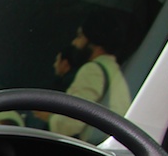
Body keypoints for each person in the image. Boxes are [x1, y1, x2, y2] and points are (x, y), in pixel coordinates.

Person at [46, 15, 132, 143]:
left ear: (94, 41)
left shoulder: (92, 70)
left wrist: (50, 117)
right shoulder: (113, 70)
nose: (75, 43)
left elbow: (73, 120)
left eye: (80, 37)